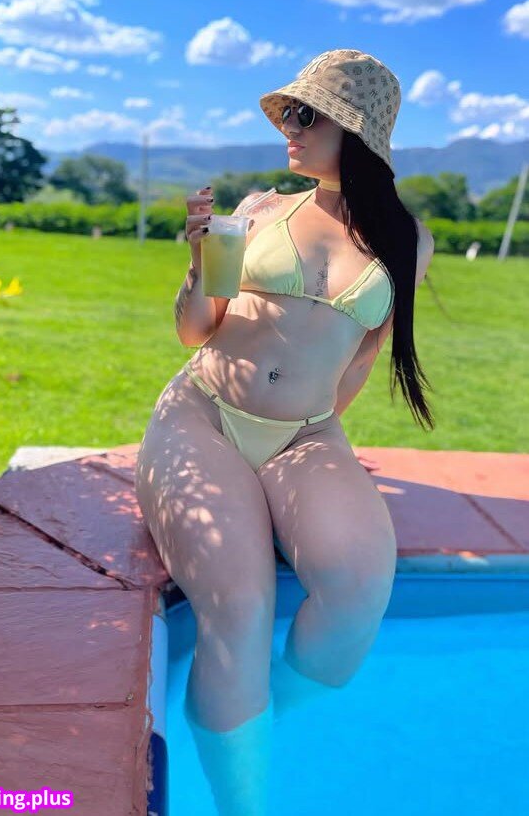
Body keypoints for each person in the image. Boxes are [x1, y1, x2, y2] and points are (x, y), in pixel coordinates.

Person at [134, 48, 436, 815]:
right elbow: (195, 328)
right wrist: (199, 262)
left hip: (306, 434)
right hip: (204, 414)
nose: (288, 129)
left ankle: (255, 718)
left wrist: (306, 452)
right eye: (288, 114)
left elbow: (361, 361)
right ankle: (243, 798)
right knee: (239, 607)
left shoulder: (409, 241)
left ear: (355, 131)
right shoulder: (260, 209)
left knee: (360, 587)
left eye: (306, 115)